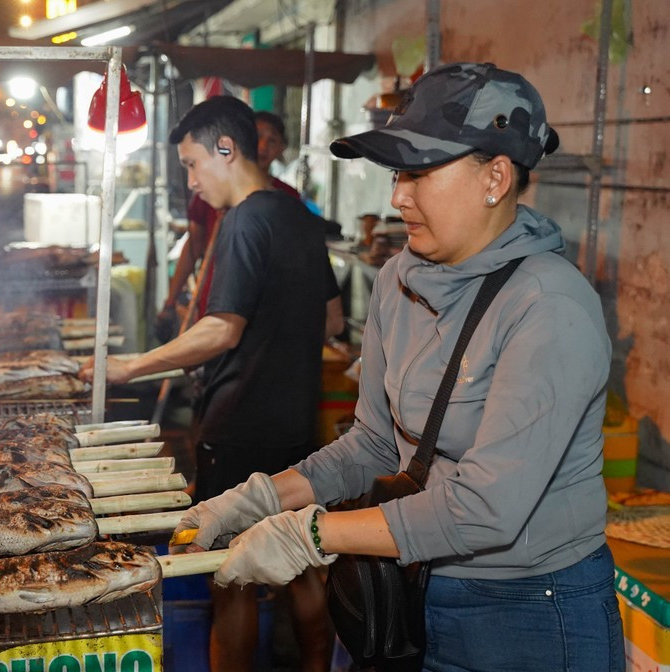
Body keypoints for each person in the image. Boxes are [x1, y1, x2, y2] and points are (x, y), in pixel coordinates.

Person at [172, 62, 623, 672]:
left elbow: (487, 507)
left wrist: (310, 534)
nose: (396, 196)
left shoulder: (549, 306)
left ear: (495, 177)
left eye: (418, 172)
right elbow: (374, 444)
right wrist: (258, 500)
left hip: (528, 610)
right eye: (396, 173)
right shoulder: (398, 280)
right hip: (413, 585)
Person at [81, 95, 344, 672]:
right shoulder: (298, 215)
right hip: (295, 427)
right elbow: (334, 320)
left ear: (227, 150)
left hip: (239, 425)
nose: (193, 181)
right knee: (302, 560)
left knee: (228, 574)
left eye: (193, 164)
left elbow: (222, 330)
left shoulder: (244, 219)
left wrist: (128, 366)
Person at [155, 109, 303, 342]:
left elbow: (225, 331)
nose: (262, 145)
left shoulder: (286, 203)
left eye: (272, 140)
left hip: (252, 327)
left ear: (282, 148)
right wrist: (171, 301)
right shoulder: (208, 194)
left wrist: (132, 367)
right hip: (213, 305)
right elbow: (193, 246)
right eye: (258, 136)